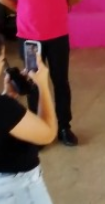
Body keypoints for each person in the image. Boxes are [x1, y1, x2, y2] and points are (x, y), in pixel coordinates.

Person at [0, 0, 83, 147]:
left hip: (58, 36)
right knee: (33, 82)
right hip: (29, 38)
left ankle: (64, 126)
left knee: (60, 81)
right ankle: (38, 130)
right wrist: (22, 11)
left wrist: (61, 7)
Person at [1, 43, 57, 203]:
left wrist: (7, 97)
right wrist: (43, 85)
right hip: (17, 187)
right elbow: (47, 134)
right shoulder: (4, 108)